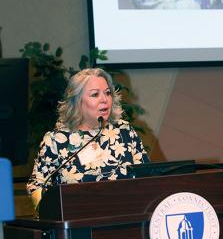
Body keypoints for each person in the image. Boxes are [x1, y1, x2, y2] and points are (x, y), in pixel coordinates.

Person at [27, 68, 150, 209]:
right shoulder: (56, 141)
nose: (104, 99)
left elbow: (146, 177)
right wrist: (54, 211)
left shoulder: (124, 132)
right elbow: (36, 186)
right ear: (77, 101)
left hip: (126, 216)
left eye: (108, 93)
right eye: (95, 94)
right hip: (78, 222)